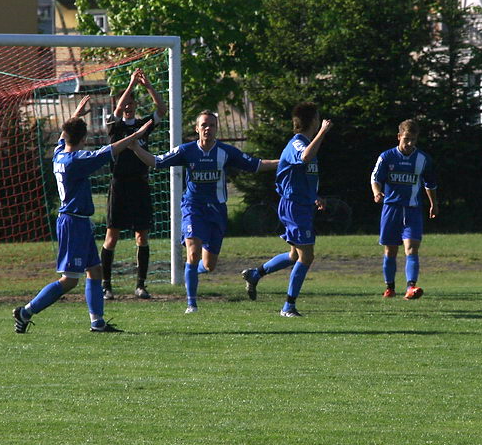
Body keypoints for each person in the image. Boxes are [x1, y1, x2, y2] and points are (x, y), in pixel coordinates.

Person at [12, 95, 152, 334]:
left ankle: (97, 323)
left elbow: (65, 134)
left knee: (94, 271)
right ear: (84, 139)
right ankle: (25, 312)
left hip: (78, 222)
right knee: (69, 280)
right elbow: (111, 149)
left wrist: (76, 114)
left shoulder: (59, 153)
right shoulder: (78, 161)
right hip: (72, 223)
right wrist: (136, 136)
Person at [132, 110, 278, 313]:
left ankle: (192, 272)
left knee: (209, 265)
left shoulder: (226, 152)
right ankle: (191, 303)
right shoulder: (186, 150)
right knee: (193, 252)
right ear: (197, 128)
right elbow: (157, 162)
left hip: (217, 210)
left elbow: (256, 165)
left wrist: (285, 162)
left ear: (217, 129)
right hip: (193, 207)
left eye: (212, 125)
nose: (208, 128)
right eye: (204, 125)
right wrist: (134, 147)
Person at [240, 102, 332, 317]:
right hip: (294, 207)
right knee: (306, 257)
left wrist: (315, 196)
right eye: (318, 117)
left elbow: (299, 176)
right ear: (313, 121)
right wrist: (323, 132)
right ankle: (288, 306)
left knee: (294, 255)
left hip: (301, 204)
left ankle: (256, 274)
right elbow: (305, 157)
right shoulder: (298, 144)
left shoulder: (305, 143)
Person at [100, 68, 166, 301]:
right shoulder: (114, 125)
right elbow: (117, 110)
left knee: (142, 236)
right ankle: (106, 285)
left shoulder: (144, 126)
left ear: (136, 105)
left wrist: (147, 85)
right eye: (125, 101)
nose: (128, 105)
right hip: (119, 186)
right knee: (112, 236)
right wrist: (129, 85)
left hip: (140, 185)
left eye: (131, 102)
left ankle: (140, 285)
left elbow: (161, 109)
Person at [370, 119, 438, 299]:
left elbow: (430, 183)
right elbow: (375, 178)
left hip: (413, 209)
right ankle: (390, 288)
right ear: (399, 136)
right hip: (391, 209)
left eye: (413, 140)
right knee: (390, 251)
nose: (409, 143)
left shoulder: (423, 159)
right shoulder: (386, 157)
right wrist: (377, 192)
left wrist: (433, 204)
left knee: (412, 249)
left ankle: (411, 287)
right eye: (406, 139)